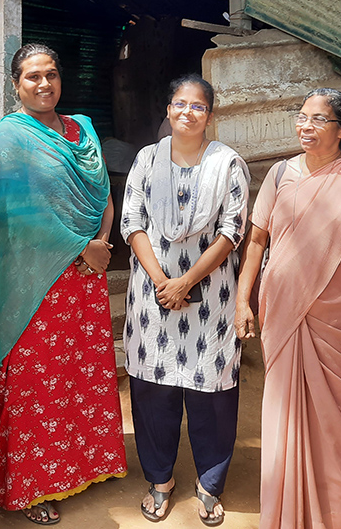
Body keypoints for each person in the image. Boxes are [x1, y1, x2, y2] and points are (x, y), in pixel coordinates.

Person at [234, 88, 341, 529]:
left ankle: (340, 516)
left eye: (318, 119)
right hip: (282, 315)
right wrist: (241, 301)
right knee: (285, 417)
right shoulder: (280, 174)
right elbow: (256, 242)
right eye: (301, 116)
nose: (305, 126)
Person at [0, 43, 127, 525]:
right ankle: (28, 488)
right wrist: (81, 246)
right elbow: (14, 213)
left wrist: (101, 241)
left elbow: (102, 190)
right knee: (32, 383)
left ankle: (80, 467)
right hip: (34, 281)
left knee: (78, 376)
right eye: (32, 77)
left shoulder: (81, 128)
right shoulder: (7, 138)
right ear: (15, 85)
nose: (44, 84)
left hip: (86, 276)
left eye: (51, 75)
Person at [120, 75, 249, 526]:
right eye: (180, 104)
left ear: (210, 116)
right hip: (152, 296)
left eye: (198, 106)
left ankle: (209, 483)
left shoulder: (227, 163)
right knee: (154, 393)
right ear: (168, 110)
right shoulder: (146, 159)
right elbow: (132, 221)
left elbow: (232, 231)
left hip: (210, 296)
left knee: (211, 392)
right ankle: (160, 481)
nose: (188, 112)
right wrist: (162, 281)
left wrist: (186, 280)